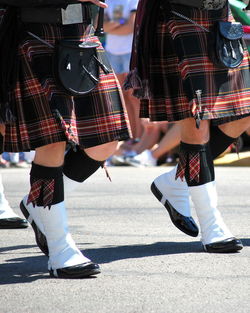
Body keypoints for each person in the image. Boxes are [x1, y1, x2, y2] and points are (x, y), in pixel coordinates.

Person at [0, 0, 130, 278]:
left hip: (82, 33)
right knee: (53, 141)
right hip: (35, 31)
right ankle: (61, 251)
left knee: (107, 140)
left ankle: (38, 202)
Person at [126, 0, 250, 253]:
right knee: (196, 125)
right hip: (179, 16)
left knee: (243, 114)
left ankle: (176, 181)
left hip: (220, 18)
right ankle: (212, 226)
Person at [104, 0, 142, 139]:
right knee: (123, 98)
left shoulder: (133, 1)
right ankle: (131, 138)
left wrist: (111, 26)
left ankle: (139, 138)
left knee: (134, 97)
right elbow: (101, 26)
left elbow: (132, 26)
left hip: (129, 52)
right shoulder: (108, 0)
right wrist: (121, 23)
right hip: (112, 52)